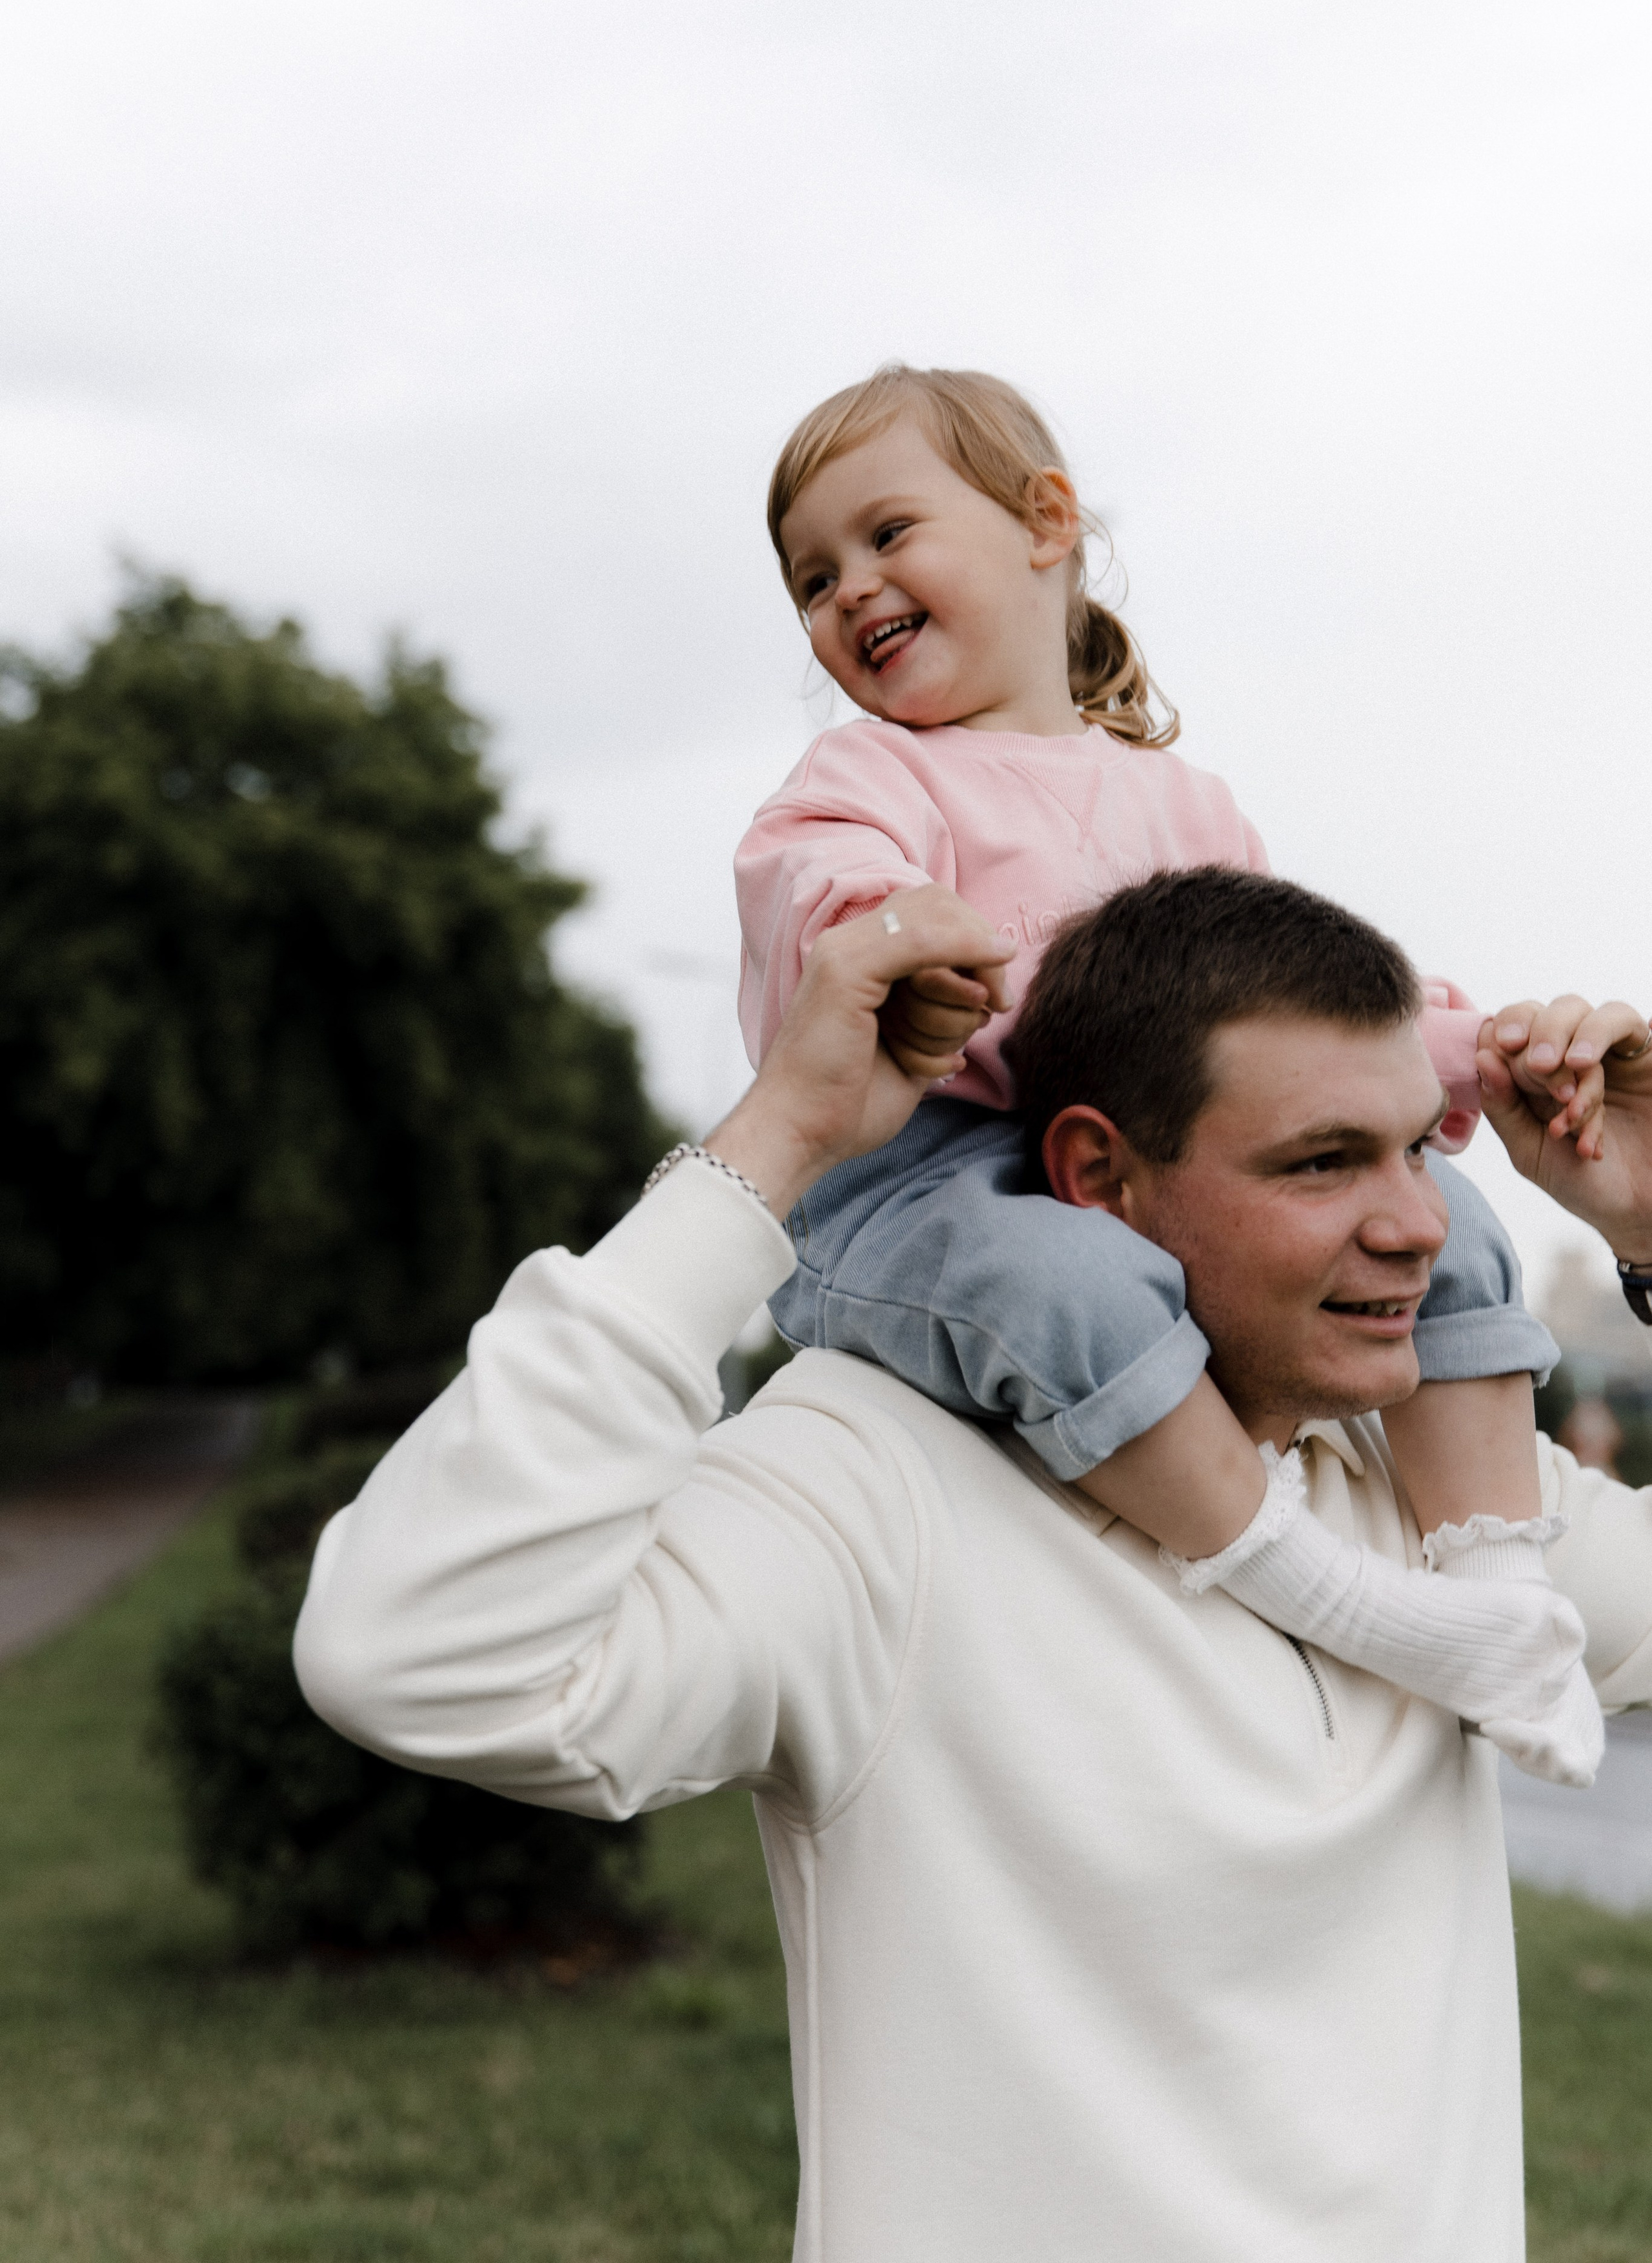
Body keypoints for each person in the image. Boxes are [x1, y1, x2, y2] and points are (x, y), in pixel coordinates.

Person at [294, 873, 1652, 2263]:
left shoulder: (1427, 1491)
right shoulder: (869, 1479)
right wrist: (777, 1140)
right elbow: (415, 1653)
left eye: (1417, 1149)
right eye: (1319, 1162)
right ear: (1094, 1178)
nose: (1415, 1225)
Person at [737, 363, 1601, 1778]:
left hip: (1146, 1168)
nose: (847, 590)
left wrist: (1465, 1055)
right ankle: (1337, 1601)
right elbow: (818, 890)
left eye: (885, 535)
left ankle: (1497, 1580)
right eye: (811, 579)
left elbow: (1298, 1021)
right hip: (929, 1183)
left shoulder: (1181, 803)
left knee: (1439, 1216)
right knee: (1062, 1289)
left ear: (1044, 521)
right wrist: (891, 941)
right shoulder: (864, 784)